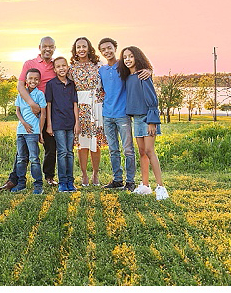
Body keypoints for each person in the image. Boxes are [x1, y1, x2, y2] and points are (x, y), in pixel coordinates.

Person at [0, 37, 58, 189]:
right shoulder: (29, 64)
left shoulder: (55, 65)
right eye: (45, 46)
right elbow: (20, 85)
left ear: (54, 48)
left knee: (51, 146)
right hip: (31, 113)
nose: (48, 49)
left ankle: (49, 177)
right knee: (23, 149)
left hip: (48, 111)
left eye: (51, 46)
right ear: (39, 47)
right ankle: (15, 179)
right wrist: (32, 104)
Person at [119, 45, 168, 200]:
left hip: (147, 118)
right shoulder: (128, 77)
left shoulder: (143, 75)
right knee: (141, 152)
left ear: (137, 57)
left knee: (149, 151)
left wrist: (152, 121)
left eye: (131, 56)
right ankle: (145, 185)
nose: (128, 60)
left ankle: (161, 187)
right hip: (136, 119)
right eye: (125, 57)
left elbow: (152, 99)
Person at [98, 36, 140, 192]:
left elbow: (139, 71)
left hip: (122, 114)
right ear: (101, 52)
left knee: (128, 149)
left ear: (115, 48)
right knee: (113, 149)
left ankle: (130, 181)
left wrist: (148, 70)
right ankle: (117, 180)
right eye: (103, 49)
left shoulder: (123, 66)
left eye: (109, 48)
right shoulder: (101, 70)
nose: (107, 51)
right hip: (107, 114)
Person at [69, 36, 106, 186]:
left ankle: (95, 174)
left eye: (84, 46)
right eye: (78, 47)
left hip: (96, 106)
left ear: (89, 48)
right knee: (82, 143)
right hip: (80, 108)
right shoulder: (71, 68)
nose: (81, 49)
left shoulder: (98, 65)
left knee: (95, 143)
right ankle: (84, 175)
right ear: (75, 50)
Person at [45, 57, 79, 192]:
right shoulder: (51, 84)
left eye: (64, 65)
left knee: (70, 152)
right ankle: (62, 182)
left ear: (67, 67)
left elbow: (75, 104)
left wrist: (77, 122)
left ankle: (70, 181)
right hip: (57, 123)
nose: (61, 68)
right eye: (58, 66)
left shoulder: (72, 84)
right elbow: (48, 105)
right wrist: (49, 124)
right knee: (62, 152)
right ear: (54, 69)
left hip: (70, 123)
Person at [10, 67, 46, 194]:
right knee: (21, 158)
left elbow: (43, 114)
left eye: (36, 79)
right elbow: (17, 111)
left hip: (33, 132)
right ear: (26, 80)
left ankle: (38, 185)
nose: (33, 81)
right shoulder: (21, 94)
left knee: (34, 158)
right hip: (21, 130)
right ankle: (21, 183)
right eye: (30, 78)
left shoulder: (40, 94)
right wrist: (24, 123)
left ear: (39, 81)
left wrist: (40, 132)